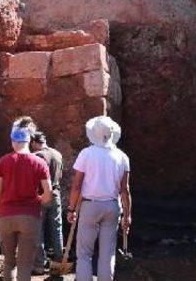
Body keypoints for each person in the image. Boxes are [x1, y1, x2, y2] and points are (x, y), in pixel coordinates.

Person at [67, 116, 131, 281]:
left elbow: (76, 186)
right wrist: (127, 215)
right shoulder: (122, 157)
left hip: (90, 206)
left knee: (84, 254)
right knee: (107, 253)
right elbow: (125, 190)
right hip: (112, 206)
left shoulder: (86, 154)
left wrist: (71, 209)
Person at [0, 116, 53, 281]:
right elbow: (49, 192)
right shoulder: (39, 163)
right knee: (25, 265)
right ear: (29, 140)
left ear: (13, 140)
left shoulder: (4, 161)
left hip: (5, 216)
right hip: (30, 217)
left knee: (9, 262)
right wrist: (39, 200)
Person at [29, 131, 64, 275]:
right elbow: (60, 175)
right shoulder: (58, 154)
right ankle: (59, 264)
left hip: (40, 195)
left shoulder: (36, 156)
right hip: (55, 194)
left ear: (34, 142)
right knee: (57, 229)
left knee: (38, 231)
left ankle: (38, 265)